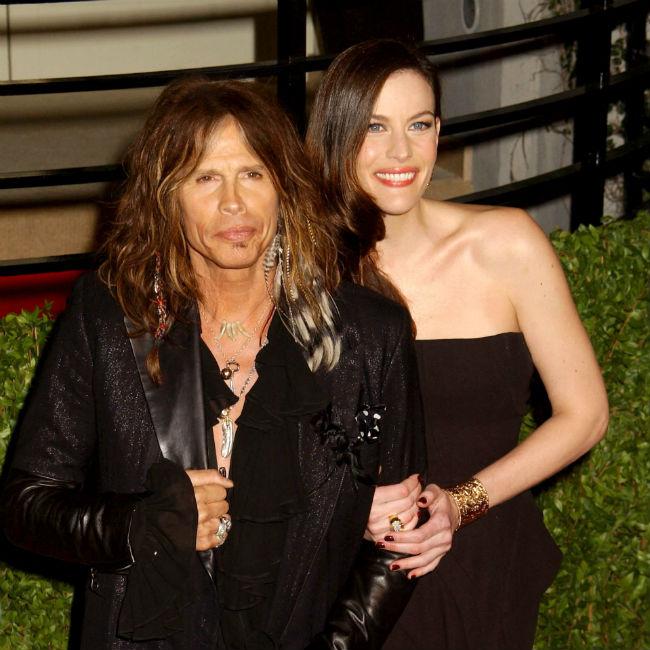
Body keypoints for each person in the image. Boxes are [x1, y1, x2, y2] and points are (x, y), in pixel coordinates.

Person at [1, 77, 425, 650]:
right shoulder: (110, 316)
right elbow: (25, 504)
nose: (234, 203)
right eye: (205, 178)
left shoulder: (371, 334)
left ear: (284, 187)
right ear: (166, 197)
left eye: (253, 174)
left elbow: (399, 537)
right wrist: (140, 524)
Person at [306, 39, 609, 650]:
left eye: (418, 125)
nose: (400, 151)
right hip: (350, 577)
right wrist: (346, 502)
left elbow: (585, 415)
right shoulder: (306, 272)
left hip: (484, 564)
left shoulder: (507, 244)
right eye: (375, 127)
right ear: (339, 136)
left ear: (438, 132)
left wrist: (460, 503)